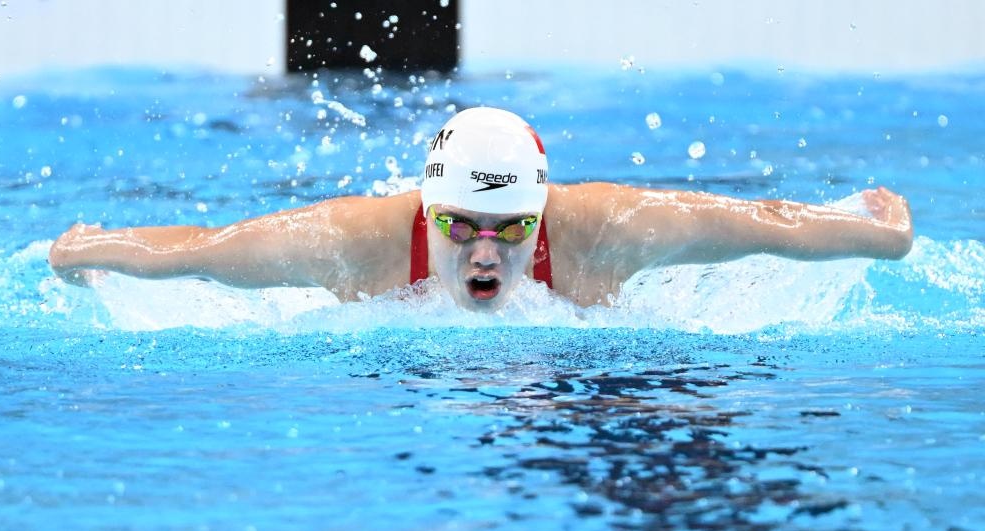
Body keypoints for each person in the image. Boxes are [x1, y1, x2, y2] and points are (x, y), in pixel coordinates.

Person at [49, 107, 913, 310]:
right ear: (428, 210)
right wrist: (93, 250)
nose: (486, 254)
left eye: (511, 230)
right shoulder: (357, 242)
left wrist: (879, 238)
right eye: (461, 226)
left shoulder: (606, 232)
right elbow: (202, 248)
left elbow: (758, 224)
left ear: (543, 215)